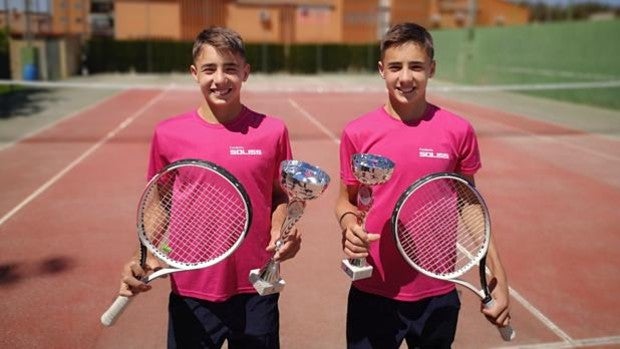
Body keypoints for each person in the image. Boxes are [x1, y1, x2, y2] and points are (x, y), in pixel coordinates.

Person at [117, 27, 299, 349]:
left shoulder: (272, 131)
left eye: (230, 68)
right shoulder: (168, 134)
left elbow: (280, 193)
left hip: (256, 286)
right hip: (192, 289)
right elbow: (160, 202)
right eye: (209, 69)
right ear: (194, 73)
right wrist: (142, 254)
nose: (220, 79)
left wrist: (278, 231)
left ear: (245, 72)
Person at [334, 22, 511, 348]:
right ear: (381, 70)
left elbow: (469, 202)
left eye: (416, 66)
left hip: (437, 292)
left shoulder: (458, 131)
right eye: (395, 67)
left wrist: (497, 274)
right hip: (373, 289)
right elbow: (344, 201)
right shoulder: (357, 133)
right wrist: (349, 227)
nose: (405, 77)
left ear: (432, 68)